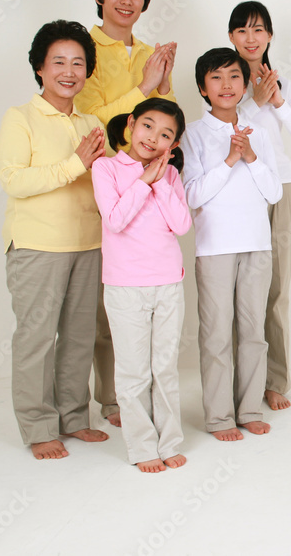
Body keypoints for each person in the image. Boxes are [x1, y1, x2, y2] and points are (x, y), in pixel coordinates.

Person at [0, 19, 111, 460]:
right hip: (37, 246)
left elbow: (106, 182)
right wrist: (74, 164)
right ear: (40, 68)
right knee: (37, 338)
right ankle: (38, 426)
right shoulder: (20, 117)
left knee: (79, 337)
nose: (69, 71)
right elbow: (14, 180)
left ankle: (74, 417)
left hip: (88, 243)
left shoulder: (90, 122)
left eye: (78, 63)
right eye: (58, 61)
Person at [75, 0, 178, 427]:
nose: (126, 0)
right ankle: (113, 399)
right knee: (109, 308)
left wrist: (163, 86)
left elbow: (166, 122)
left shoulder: (150, 52)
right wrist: (144, 88)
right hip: (104, 185)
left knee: (141, 299)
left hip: (151, 193)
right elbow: (90, 120)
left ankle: (141, 397)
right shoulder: (85, 50)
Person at [181, 48, 282, 441]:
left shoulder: (259, 132)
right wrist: (228, 161)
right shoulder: (193, 134)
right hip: (215, 248)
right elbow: (192, 195)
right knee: (217, 335)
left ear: (245, 84)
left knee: (253, 331)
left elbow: (274, 192)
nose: (226, 85)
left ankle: (250, 408)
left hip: (257, 244)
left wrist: (251, 157)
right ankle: (219, 416)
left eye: (234, 76)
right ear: (203, 88)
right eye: (216, 77)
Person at [91, 98, 191, 473]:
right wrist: (143, 181)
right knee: (134, 371)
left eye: (165, 134)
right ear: (132, 124)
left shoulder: (171, 176)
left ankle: (170, 441)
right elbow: (115, 220)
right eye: (148, 126)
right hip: (125, 286)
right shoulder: (105, 168)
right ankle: (143, 445)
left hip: (168, 283)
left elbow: (181, 225)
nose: (153, 137)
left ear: (173, 145)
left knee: (164, 368)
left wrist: (160, 181)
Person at [228, 1, 291, 411]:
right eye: (242, 30)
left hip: (280, 190)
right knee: (241, 290)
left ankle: (275, 379)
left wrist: (277, 101)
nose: (251, 38)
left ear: (269, 35)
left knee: (276, 289)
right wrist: (254, 102)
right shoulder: (224, 80)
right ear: (231, 36)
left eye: (258, 29)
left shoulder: (284, 84)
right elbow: (220, 131)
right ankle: (243, 381)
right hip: (239, 192)